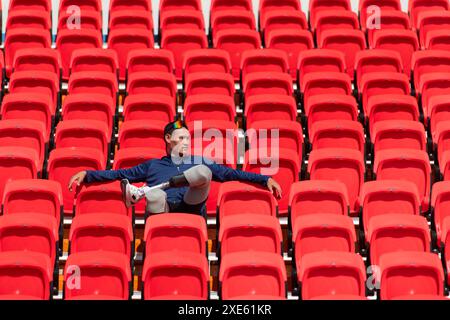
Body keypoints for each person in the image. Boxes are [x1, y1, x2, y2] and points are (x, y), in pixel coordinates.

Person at [68, 120, 282, 217]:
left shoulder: (199, 160)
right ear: (168, 139)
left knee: (204, 172)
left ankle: (145, 190)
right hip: (162, 211)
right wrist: (87, 174)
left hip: (191, 206)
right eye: (181, 138)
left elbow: (231, 174)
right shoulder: (153, 165)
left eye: (188, 138)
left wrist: (265, 180)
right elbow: (119, 174)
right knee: (155, 196)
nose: (186, 142)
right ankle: (145, 191)